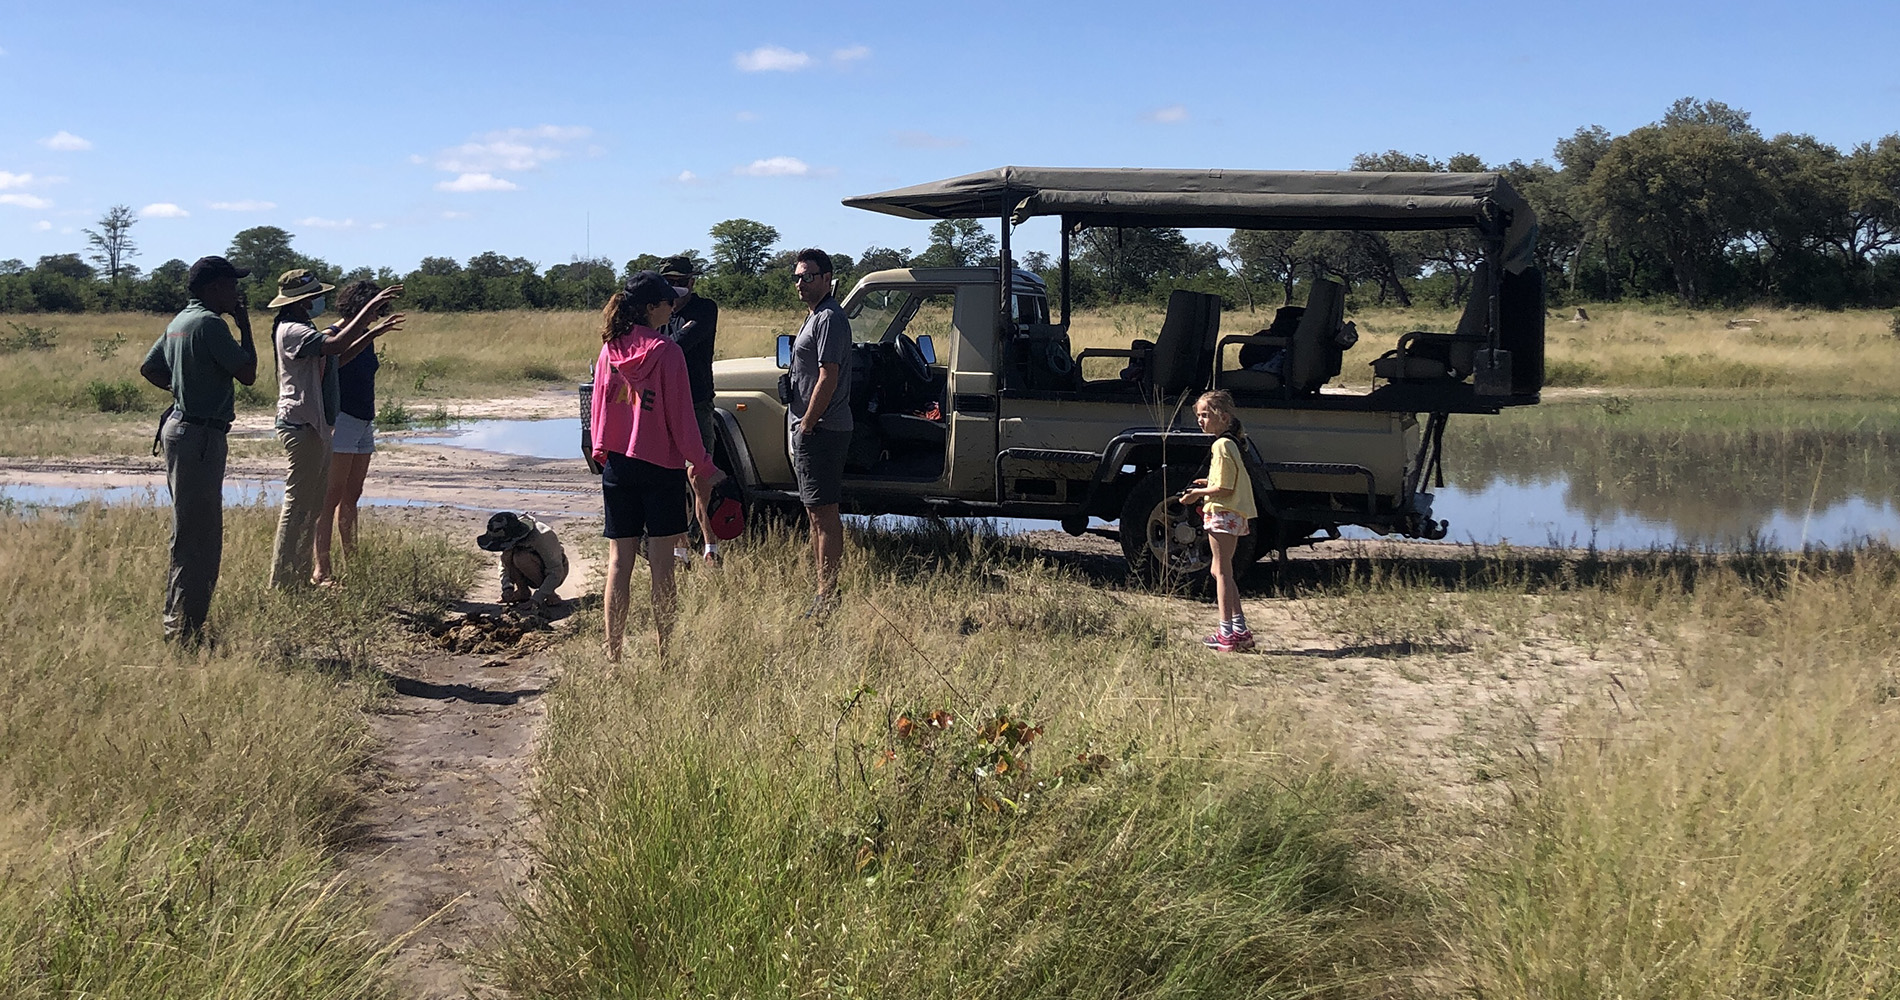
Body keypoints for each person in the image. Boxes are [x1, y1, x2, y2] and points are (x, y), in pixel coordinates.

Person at [589, 270, 726, 659]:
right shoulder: (668, 352)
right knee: (663, 566)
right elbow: (681, 418)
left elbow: (599, 407)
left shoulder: (609, 349)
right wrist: (702, 464)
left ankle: (613, 654)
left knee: (619, 562)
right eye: (668, 300)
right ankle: (666, 654)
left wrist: (601, 450)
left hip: (618, 465)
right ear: (651, 308)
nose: (674, 305)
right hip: (661, 467)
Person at [138, 256, 259, 644]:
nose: (235, 292)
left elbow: (150, 368)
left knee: (187, 529)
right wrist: (245, 328)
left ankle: (179, 623)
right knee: (200, 536)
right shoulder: (210, 324)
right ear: (211, 289)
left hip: (179, 429)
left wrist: (185, 390)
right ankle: (185, 632)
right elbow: (248, 373)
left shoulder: (180, 322)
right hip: (201, 436)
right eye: (230, 285)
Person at [266, 270, 403, 589]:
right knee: (315, 501)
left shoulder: (306, 329)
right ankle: (307, 573)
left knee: (335, 498)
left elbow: (338, 357)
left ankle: (316, 572)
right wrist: (368, 314)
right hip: (316, 422)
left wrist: (371, 332)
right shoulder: (297, 331)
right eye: (313, 296)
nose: (318, 301)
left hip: (344, 421)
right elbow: (337, 345)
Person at [314, 280, 399, 583]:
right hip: (343, 418)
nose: (376, 317)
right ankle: (322, 566)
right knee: (330, 496)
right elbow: (332, 366)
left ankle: (353, 560)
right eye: (373, 310)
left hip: (363, 420)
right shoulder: (331, 336)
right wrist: (372, 332)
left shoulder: (366, 335)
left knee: (353, 494)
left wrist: (371, 333)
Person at [787, 247, 851, 619]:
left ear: (827, 278)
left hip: (823, 429)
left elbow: (829, 375)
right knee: (814, 514)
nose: (800, 282)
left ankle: (827, 595)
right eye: (797, 276)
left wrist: (808, 422)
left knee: (824, 515)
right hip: (815, 427)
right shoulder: (814, 316)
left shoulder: (828, 318)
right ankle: (822, 590)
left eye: (808, 276)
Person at [1181, 390, 1257, 652]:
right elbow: (1228, 481)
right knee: (1218, 570)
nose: (1200, 420)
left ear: (1223, 417)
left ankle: (1226, 633)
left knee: (1222, 572)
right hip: (1232, 513)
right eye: (1199, 416)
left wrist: (1197, 494)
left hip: (1223, 512)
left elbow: (1224, 489)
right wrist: (1207, 483)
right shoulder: (1230, 443)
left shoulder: (1221, 445)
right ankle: (1240, 630)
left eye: (1205, 415)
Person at [661, 255, 722, 565]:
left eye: (681, 282)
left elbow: (676, 345)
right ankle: (681, 546)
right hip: (667, 404)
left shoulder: (704, 308)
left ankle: (710, 544)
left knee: (700, 475)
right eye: (670, 282)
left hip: (696, 402)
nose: (676, 287)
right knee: (672, 476)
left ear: (692, 282)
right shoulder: (663, 314)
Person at [476, 511, 569, 609]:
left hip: (557, 571)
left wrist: (537, 598)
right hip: (530, 572)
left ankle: (550, 595)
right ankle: (522, 592)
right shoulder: (510, 533)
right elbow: (504, 564)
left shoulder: (542, 535)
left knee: (521, 558)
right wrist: (507, 587)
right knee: (508, 555)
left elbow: (555, 571)